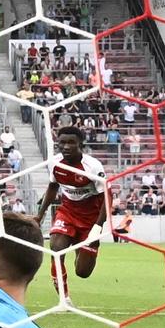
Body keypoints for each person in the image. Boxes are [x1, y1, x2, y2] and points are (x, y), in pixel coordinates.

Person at [35, 126, 112, 303]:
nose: (66, 147)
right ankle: (64, 298)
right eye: (62, 143)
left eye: (71, 143)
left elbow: (107, 198)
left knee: (83, 272)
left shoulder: (92, 166)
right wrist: (40, 215)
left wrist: (98, 227)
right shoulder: (55, 163)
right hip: (67, 212)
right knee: (56, 249)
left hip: (90, 219)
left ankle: (82, 248)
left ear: (80, 144)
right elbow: (53, 186)